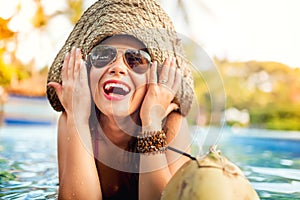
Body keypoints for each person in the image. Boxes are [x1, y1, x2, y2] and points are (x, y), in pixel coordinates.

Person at [47, 0, 194, 199]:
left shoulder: (171, 123)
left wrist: (151, 124)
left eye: (136, 59)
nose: (118, 67)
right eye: (102, 55)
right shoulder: (72, 118)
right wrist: (78, 119)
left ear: (154, 79)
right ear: (87, 71)